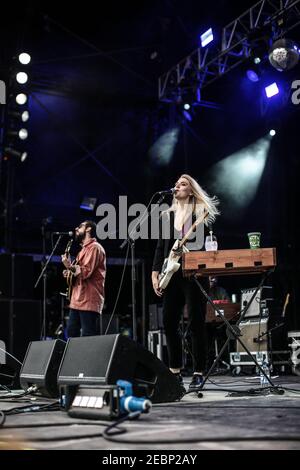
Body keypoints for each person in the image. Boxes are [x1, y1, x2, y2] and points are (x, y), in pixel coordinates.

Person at [152, 174, 219, 390]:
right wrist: (154, 273)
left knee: (196, 322)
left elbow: (208, 245)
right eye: (176, 184)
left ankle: (199, 372)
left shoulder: (200, 214)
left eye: (183, 184)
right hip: (171, 273)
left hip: (194, 275)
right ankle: (175, 371)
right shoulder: (166, 216)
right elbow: (160, 248)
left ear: (191, 190)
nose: (177, 187)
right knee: (169, 322)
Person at [61, 220, 106, 337]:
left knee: (87, 336)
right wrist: (69, 272)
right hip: (76, 300)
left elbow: (86, 272)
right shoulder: (83, 250)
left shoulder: (95, 248)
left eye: (80, 226)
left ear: (88, 229)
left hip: (89, 300)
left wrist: (70, 266)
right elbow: (78, 272)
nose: (76, 228)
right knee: (71, 332)